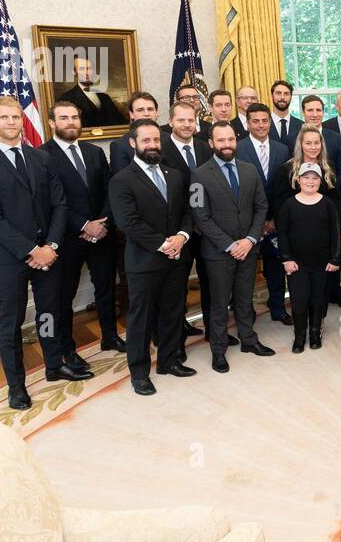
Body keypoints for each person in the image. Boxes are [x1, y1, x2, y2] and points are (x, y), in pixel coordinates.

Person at [0, 97, 76, 409]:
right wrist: (31, 250)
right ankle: (16, 385)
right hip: (9, 258)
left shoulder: (41, 158)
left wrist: (51, 247)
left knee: (48, 313)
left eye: (16, 117)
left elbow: (60, 205)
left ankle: (54, 365)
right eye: (4, 117)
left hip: (48, 253)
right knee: (11, 323)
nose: (12, 122)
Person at [108, 120, 196, 395]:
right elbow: (128, 223)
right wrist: (162, 244)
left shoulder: (174, 174)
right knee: (141, 320)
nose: (152, 145)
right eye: (146, 141)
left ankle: (169, 361)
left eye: (156, 140)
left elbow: (187, 211)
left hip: (177, 258)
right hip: (144, 262)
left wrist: (182, 237)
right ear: (133, 143)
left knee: (173, 312)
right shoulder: (121, 180)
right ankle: (139, 373)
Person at [39, 101, 124, 362]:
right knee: (65, 295)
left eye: (75, 117)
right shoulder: (42, 156)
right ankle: (68, 348)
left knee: (106, 288)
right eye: (64, 118)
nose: (71, 122)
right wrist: (84, 225)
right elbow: (52, 200)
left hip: (102, 234)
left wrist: (102, 222)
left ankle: (110, 335)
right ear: (52, 123)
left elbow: (110, 188)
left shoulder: (94, 152)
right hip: (66, 238)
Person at [190, 121, 274, 372]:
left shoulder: (250, 170)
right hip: (218, 253)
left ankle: (248, 339)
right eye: (221, 140)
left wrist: (249, 240)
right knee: (218, 303)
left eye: (231, 139)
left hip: (248, 248)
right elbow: (199, 215)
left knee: (245, 298)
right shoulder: (198, 175)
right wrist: (229, 245)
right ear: (211, 143)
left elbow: (261, 207)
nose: (227, 145)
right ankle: (218, 350)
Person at [162, 100, 219, 345]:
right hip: (177, 231)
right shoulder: (160, 149)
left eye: (190, 120)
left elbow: (214, 187)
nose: (187, 125)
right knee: (176, 288)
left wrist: (204, 221)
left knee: (211, 283)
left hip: (207, 230)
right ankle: (176, 339)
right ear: (171, 121)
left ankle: (213, 330)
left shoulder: (205, 148)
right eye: (181, 120)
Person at [234, 102, 293, 325]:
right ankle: (245, 312)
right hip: (248, 223)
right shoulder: (238, 148)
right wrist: (257, 223)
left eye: (264, 120)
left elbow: (285, 187)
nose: (260, 125)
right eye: (255, 121)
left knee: (276, 266)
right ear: (247, 124)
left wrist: (274, 219)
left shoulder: (281, 149)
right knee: (245, 271)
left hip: (276, 221)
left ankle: (278, 308)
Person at [276, 163, 341, 353]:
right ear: (298, 180)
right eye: (306, 177)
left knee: (317, 299)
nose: (310, 181)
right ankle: (299, 336)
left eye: (315, 178)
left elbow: (334, 234)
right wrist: (287, 259)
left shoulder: (327, 204)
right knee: (299, 299)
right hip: (297, 264)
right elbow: (282, 234)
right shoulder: (289, 205)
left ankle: (315, 333)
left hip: (322, 263)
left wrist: (335, 259)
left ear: (320, 182)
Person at [289, 118, 341, 308]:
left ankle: (333, 295)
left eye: (317, 143)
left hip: (327, 228)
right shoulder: (290, 169)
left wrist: (340, 227)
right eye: (308, 143)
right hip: (300, 231)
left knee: (331, 264)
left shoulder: (327, 167)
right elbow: (282, 203)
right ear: (301, 144)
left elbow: (337, 200)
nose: (313, 147)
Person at [56, 55, 125, 128]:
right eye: (82, 69)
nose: (87, 73)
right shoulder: (67, 99)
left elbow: (121, 123)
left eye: (89, 69)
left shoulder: (105, 98)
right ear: (74, 72)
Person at [109, 90, 159, 173]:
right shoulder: (119, 145)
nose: (146, 114)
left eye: (150, 109)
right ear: (131, 114)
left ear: (156, 112)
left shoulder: (168, 138)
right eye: (140, 110)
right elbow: (122, 181)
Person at [269, 79, 304, 149]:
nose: (282, 97)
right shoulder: (262, 124)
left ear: (291, 97)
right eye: (278, 93)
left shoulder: (302, 126)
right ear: (272, 95)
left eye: (286, 94)